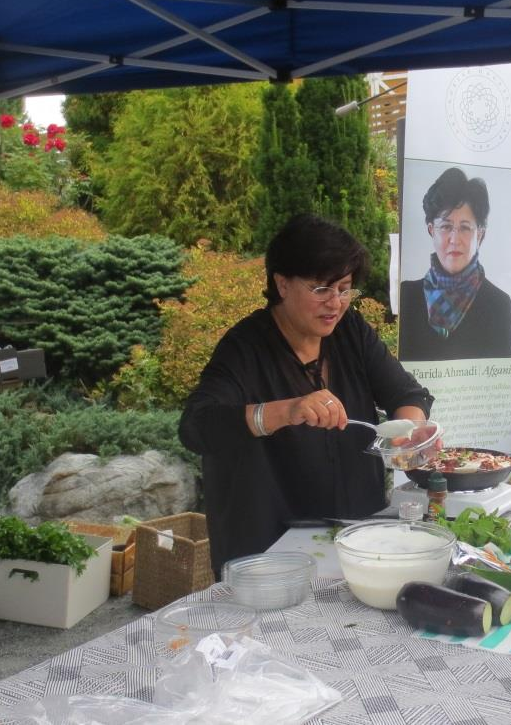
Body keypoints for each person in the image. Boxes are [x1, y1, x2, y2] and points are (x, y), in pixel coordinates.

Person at [179, 215, 434, 577]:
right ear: (282, 284)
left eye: (344, 288)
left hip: (356, 536)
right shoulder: (244, 348)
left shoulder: (350, 332)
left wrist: (410, 431)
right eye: (321, 289)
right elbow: (196, 426)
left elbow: (406, 393)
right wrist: (287, 410)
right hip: (270, 551)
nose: (335, 303)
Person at [399, 167, 511, 360]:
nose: (454, 239)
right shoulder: (407, 297)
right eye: (445, 226)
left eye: (464, 228)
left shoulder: (498, 304)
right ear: (431, 231)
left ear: (480, 234)